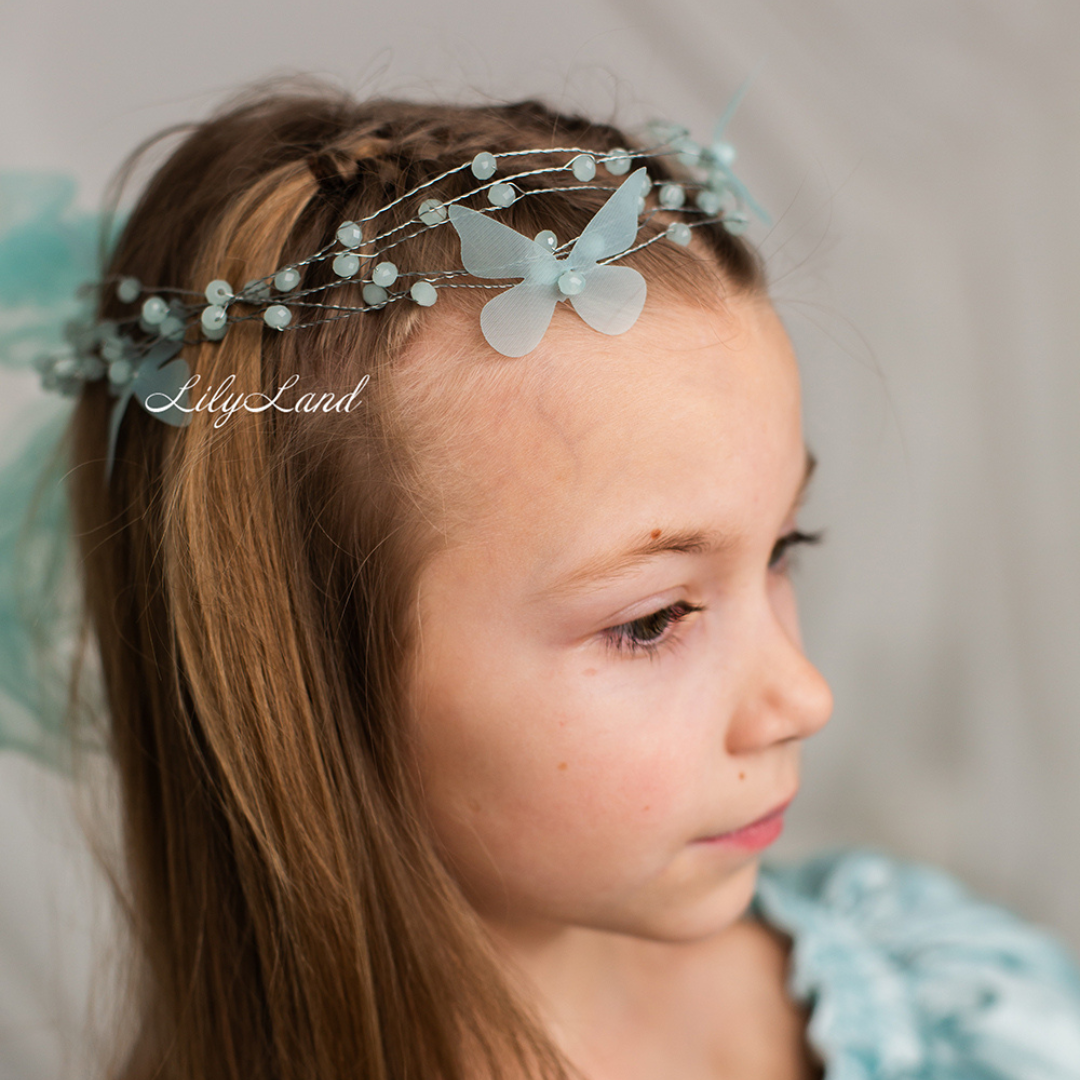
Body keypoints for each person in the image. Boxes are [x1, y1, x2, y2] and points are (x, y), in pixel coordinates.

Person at [2, 75, 1080, 1080]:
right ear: (297, 681)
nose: (804, 698)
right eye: (653, 620)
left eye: (783, 551)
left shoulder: (954, 1000)